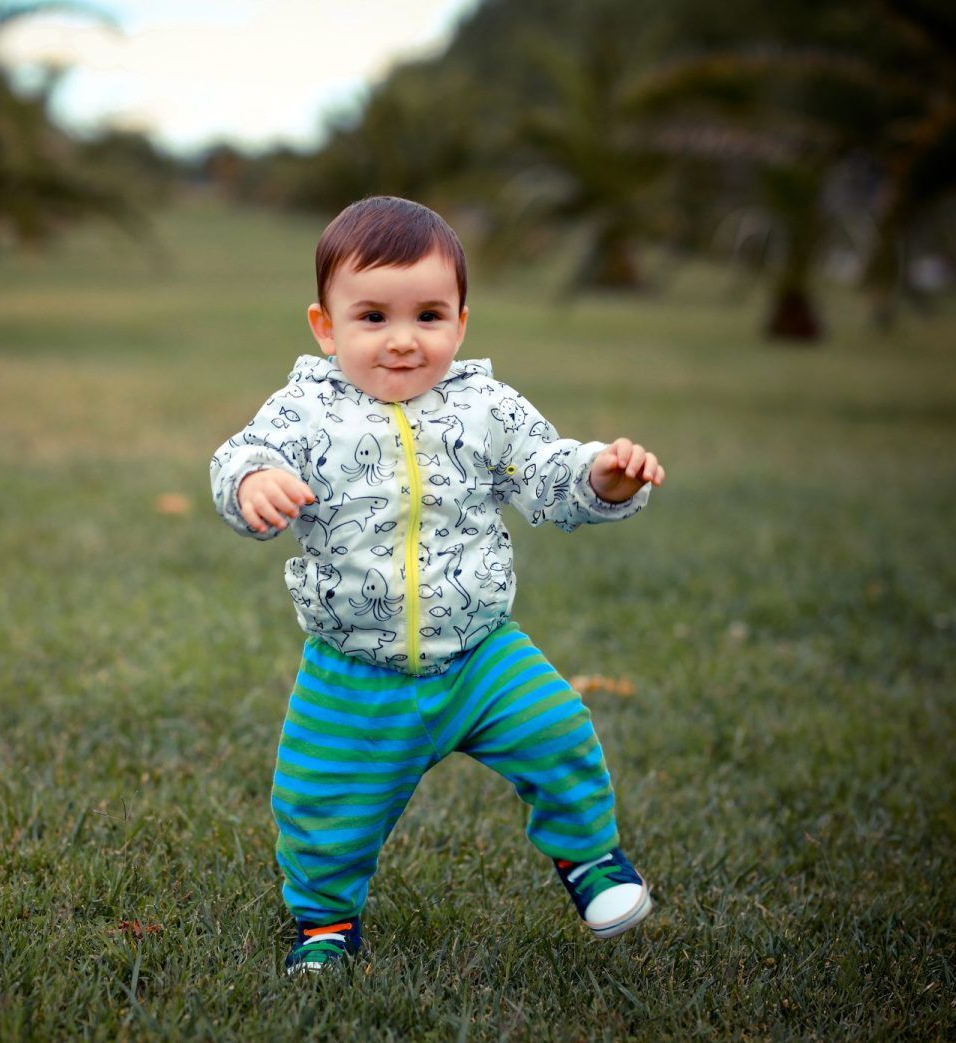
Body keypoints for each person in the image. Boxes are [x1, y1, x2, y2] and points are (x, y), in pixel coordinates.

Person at [209, 196, 666, 975]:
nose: (402, 340)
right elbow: (238, 455)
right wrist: (254, 481)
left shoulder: (486, 407)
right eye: (373, 317)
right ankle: (324, 924)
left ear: (460, 322)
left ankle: (589, 860)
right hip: (356, 669)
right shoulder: (304, 411)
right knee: (321, 806)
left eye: (428, 315)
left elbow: (549, 474)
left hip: (483, 655)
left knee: (559, 731)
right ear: (326, 327)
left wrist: (603, 476)